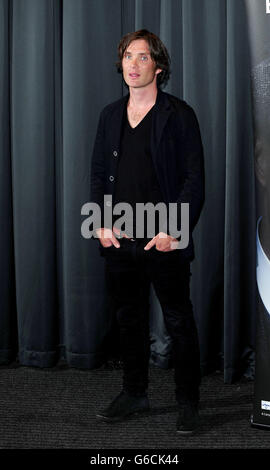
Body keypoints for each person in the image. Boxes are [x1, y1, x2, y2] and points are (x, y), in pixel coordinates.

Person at [90, 29, 204, 434]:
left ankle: (188, 402)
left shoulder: (179, 114)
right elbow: (98, 174)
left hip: (165, 240)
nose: (133, 65)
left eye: (142, 57)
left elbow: (194, 180)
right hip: (120, 241)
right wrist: (101, 224)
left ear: (158, 65)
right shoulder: (109, 115)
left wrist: (174, 231)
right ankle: (134, 392)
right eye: (127, 57)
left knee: (178, 321)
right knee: (128, 320)